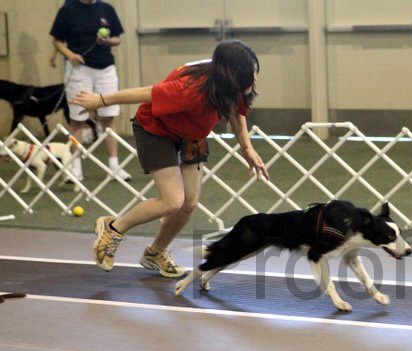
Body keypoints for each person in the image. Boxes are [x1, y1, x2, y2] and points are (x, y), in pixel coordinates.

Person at [70, 39, 270, 278]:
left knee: (189, 204)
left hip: (192, 135)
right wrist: (100, 100)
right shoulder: (191, 89)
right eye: (251, 74)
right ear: (231, 74)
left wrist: (247, 148)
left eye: (255, 72)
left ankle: (155, 252)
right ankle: (112, 228)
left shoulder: (232, 84)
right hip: (156, 130)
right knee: (172, 200)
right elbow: (145, 93)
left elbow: (237, 113)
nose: (255, 79)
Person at [50, 0, 131, 181]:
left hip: (106, 69)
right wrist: (70, 55)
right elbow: (56, 41)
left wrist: (108, 40)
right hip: (79, 69)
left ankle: (114, 165)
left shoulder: (107, 9)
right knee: (78, 119)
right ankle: (75, 166)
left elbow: (118, 38)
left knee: (108, 117)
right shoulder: (68, 9)